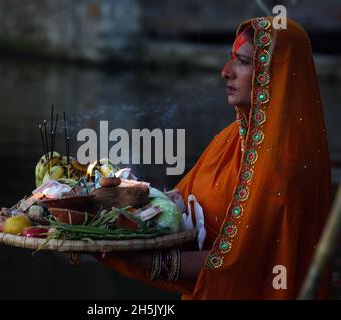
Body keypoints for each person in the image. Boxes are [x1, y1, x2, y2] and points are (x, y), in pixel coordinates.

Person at [96, 17, 332, 299]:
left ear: (275, 75)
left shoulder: (286, 163)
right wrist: (108, 208)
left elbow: (239, 263)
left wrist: (148, 261)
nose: (225, 72)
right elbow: (177, 209)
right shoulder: (232, 138)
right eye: (231, 59)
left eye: (243, 62)